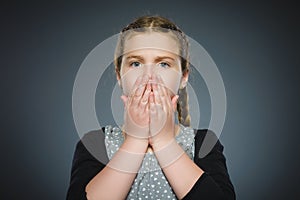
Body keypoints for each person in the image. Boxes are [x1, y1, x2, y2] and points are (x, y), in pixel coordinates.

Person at [67, 15, 235, 200]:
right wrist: (136, 140)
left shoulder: (202, 143)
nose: (149, 76)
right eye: (135, 63)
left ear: (184, 77)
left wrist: (164, 141)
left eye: (164, 64)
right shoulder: (95, 142)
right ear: (119, 75)